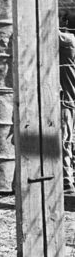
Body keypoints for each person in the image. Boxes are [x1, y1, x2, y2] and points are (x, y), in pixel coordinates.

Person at [60, 10, 75, 195]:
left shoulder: (68, 41)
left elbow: (42, 30)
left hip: (67, 100)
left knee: (64, 140)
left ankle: (66, 182)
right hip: (71, 98)